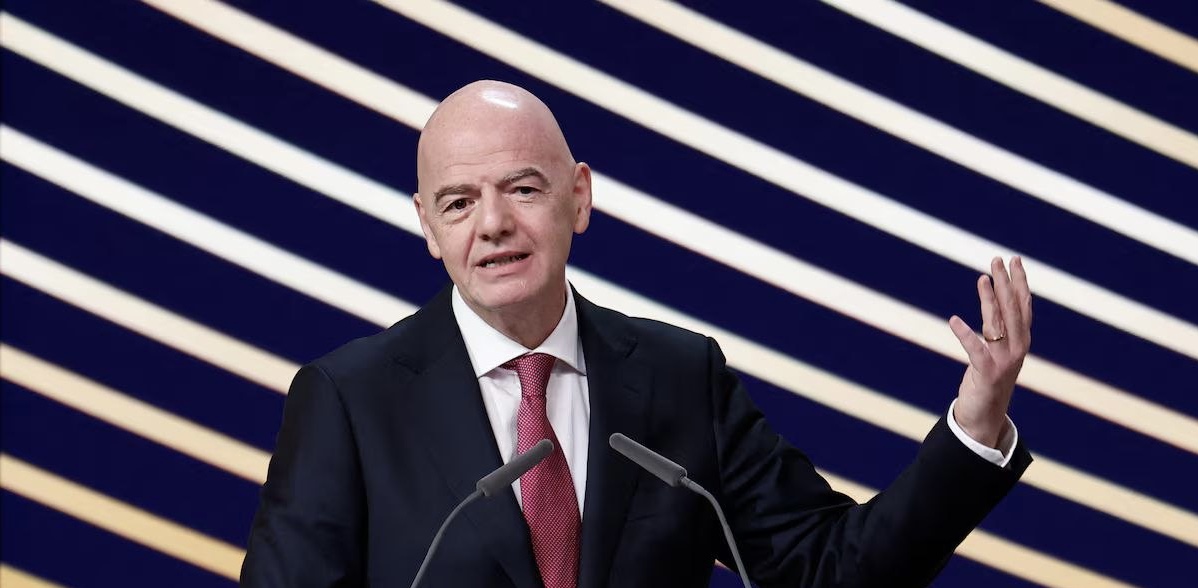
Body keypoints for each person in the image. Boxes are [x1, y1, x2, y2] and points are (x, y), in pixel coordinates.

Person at [240, 80, 1033, 587]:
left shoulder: (680, 377)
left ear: (579, 198)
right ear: (427, 226)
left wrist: (976, 422)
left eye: (523, 188)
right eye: (458, 202)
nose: (493, 224)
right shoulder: (350, 400)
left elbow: (832, 570)